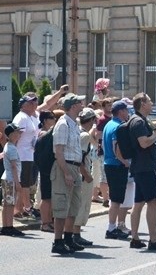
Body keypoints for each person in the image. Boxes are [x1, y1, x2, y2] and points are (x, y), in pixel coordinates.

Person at [12, 86, 68, 220]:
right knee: (24, 183)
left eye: (35, 102)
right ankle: (27, 207)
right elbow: (14, 136)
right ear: (24, 104)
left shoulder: (34, 114)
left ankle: (19, 210)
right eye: (31, 102)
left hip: (32, 154)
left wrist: (60, 92)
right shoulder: (21, 118)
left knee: (28, 183)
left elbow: (48, 104)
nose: (34, 104)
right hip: (22, 154)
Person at [128, 93, 156, 251]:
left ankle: (135, 238)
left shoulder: (138, 120)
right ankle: (153, 239)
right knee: (153, 202)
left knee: (138, 203)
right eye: (149, 101)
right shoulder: (138, 122)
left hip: (140, 166)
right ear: (142, 104)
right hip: (146, 167)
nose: (152, 103)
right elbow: (144, 143)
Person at [51, 93, 91, 254]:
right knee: (61, 206)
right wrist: (66, 173)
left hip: (74, 167)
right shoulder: (63, 124)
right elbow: (58, 152)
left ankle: (69, 238)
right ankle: (58, 241)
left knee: (74, 205)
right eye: (80, 103)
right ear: (73, 106)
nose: (82, 105)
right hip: (64, 167)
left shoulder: (74, 123)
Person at [102, 100, 132, 240]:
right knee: (116, 199)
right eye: (126, 110)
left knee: (115, 198)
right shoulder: (119, 127)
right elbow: (117, 147)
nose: (128, 113)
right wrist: (125, 162)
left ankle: (112, 227)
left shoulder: (109, 124)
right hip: (116, 165)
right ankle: (111, 228)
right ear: (120, 111)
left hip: (109, 163)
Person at [71, 107, 98, 247]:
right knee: (82, 205)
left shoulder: (78, 132)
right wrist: (87, 175)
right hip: (82, 175)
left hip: (78, 174)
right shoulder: (84, 136)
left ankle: (74, 233)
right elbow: (80, 157)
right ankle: (76, 234)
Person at [33, 110, 58, 232]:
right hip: (45, 170)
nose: (54, 120)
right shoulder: (43, 134)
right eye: (51, 117)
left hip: (48, 169)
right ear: (45, 120)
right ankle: (45, 222)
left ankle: (49, 221)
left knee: (50, 197)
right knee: (46, 197)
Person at [1, 123, 27, 236]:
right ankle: (8, 226)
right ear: (11, 134)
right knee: (10, 203)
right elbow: (13, 166)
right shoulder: (11, 148)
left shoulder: (10, 146)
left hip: (8, 178)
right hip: (11, 179)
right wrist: (17, 183)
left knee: (7, 203)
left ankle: (6, 225)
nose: (19, 134)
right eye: (17, 132)